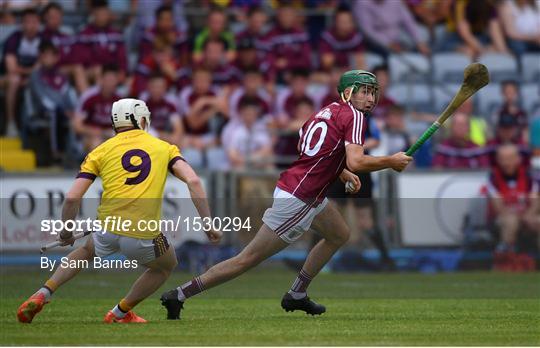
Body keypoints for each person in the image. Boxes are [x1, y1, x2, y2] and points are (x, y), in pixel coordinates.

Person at [160, 70, 412, 319]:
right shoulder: (354, 116)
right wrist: (390, 160)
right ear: (348, 93)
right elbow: (356, 161)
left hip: (303, 191)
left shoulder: (326, 111)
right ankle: (179, 294)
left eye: (372, 92)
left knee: (339, 234)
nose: (370, 98)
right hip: (301, 198)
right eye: (364, 92)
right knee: (246, 259)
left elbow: (310, 148)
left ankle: (297, 294)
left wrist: (342, 172)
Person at [17, 98, 222, 324]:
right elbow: (193, 180)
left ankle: (43, 293)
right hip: (144, 234)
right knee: (165, 267)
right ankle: (119, 313)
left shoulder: (100, 151)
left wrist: (66, 232)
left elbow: (72, 197)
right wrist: (208, 223)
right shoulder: (164, 147)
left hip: (108, 229)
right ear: (142, 120)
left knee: (85, 251)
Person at [487, 144, 539, 268]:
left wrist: (529, 215)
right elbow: (498, 207)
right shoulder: (493, 178)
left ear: (518, 159)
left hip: (526, 215)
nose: (506, 163)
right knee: (511, 221)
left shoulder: (528, 177)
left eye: (509, 158)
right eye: (503, 159)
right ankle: (505, 260)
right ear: (498, 160)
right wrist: (518, 217)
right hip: (502, 219)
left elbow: (535, 200)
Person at [2, 8, 41, 137]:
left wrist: (30, 75)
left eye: (34, 22)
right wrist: (32, 71)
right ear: (21, 24)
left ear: (39, 23)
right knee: (14, 80)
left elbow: (46, 65)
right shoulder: (13, 39)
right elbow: (11, 68)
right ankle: (11, 123)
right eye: (27, 22)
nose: (30, 26)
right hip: (8, 78)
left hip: (34, 79)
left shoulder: (44, 40)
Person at [352, 0, 430, 57]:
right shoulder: (362, 3)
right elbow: (367, 31)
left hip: (397, 35)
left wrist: (419, 41)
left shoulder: (395, 1)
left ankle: (426, 59)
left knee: (423, 33)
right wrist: (389, 44)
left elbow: (408, 21)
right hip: (377, 42)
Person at [73, 65, 121, 152]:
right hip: (90, 137)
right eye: (107, 80)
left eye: (112, 80)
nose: (110, 83)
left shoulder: (120, 99)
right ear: (101, 80)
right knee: (97, 142)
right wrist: (94, 131)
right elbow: (77, 126)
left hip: (112, 136)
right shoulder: (89, 97)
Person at [319, 6, 365, 70]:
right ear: (335, 22)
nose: (346, 25)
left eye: (348, 21)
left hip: (350, 71)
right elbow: (326, 62)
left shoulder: (356, 37)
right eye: (342, 22)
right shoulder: (327, 37)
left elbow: (360, 62)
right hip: (331, 72)